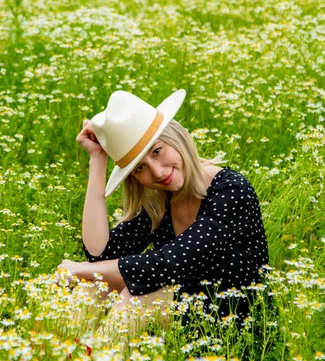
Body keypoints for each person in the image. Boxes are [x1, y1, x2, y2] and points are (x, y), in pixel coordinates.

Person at [58, 89, 268, 336]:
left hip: (236, 329)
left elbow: (170, 264)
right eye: (140, 168)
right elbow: (101, 254)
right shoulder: (161, 202)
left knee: (135, 298)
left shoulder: (232, 190)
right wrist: (97, 160)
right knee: (90, 289)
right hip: (182, 313)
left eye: (157, 151)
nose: (157, 172)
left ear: (176, 138)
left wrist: (78, 269)